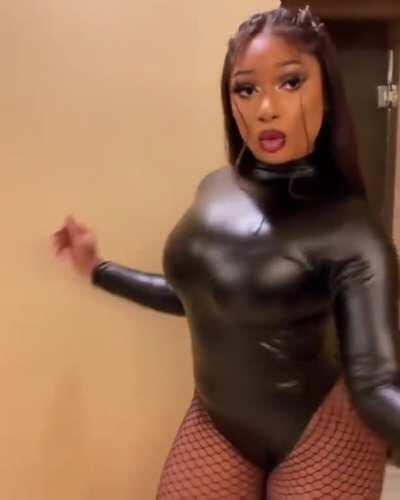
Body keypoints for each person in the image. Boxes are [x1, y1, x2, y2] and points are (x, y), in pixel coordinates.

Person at [52, 5, 400, 499]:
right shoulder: (214, 189)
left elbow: (376, 387)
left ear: (327, 91)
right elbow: (199, 295)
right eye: (246, 89)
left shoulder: (351, 227)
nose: (266, 108)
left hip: (321, 430)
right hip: (219, 423)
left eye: (291, 82)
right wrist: (98, 269)